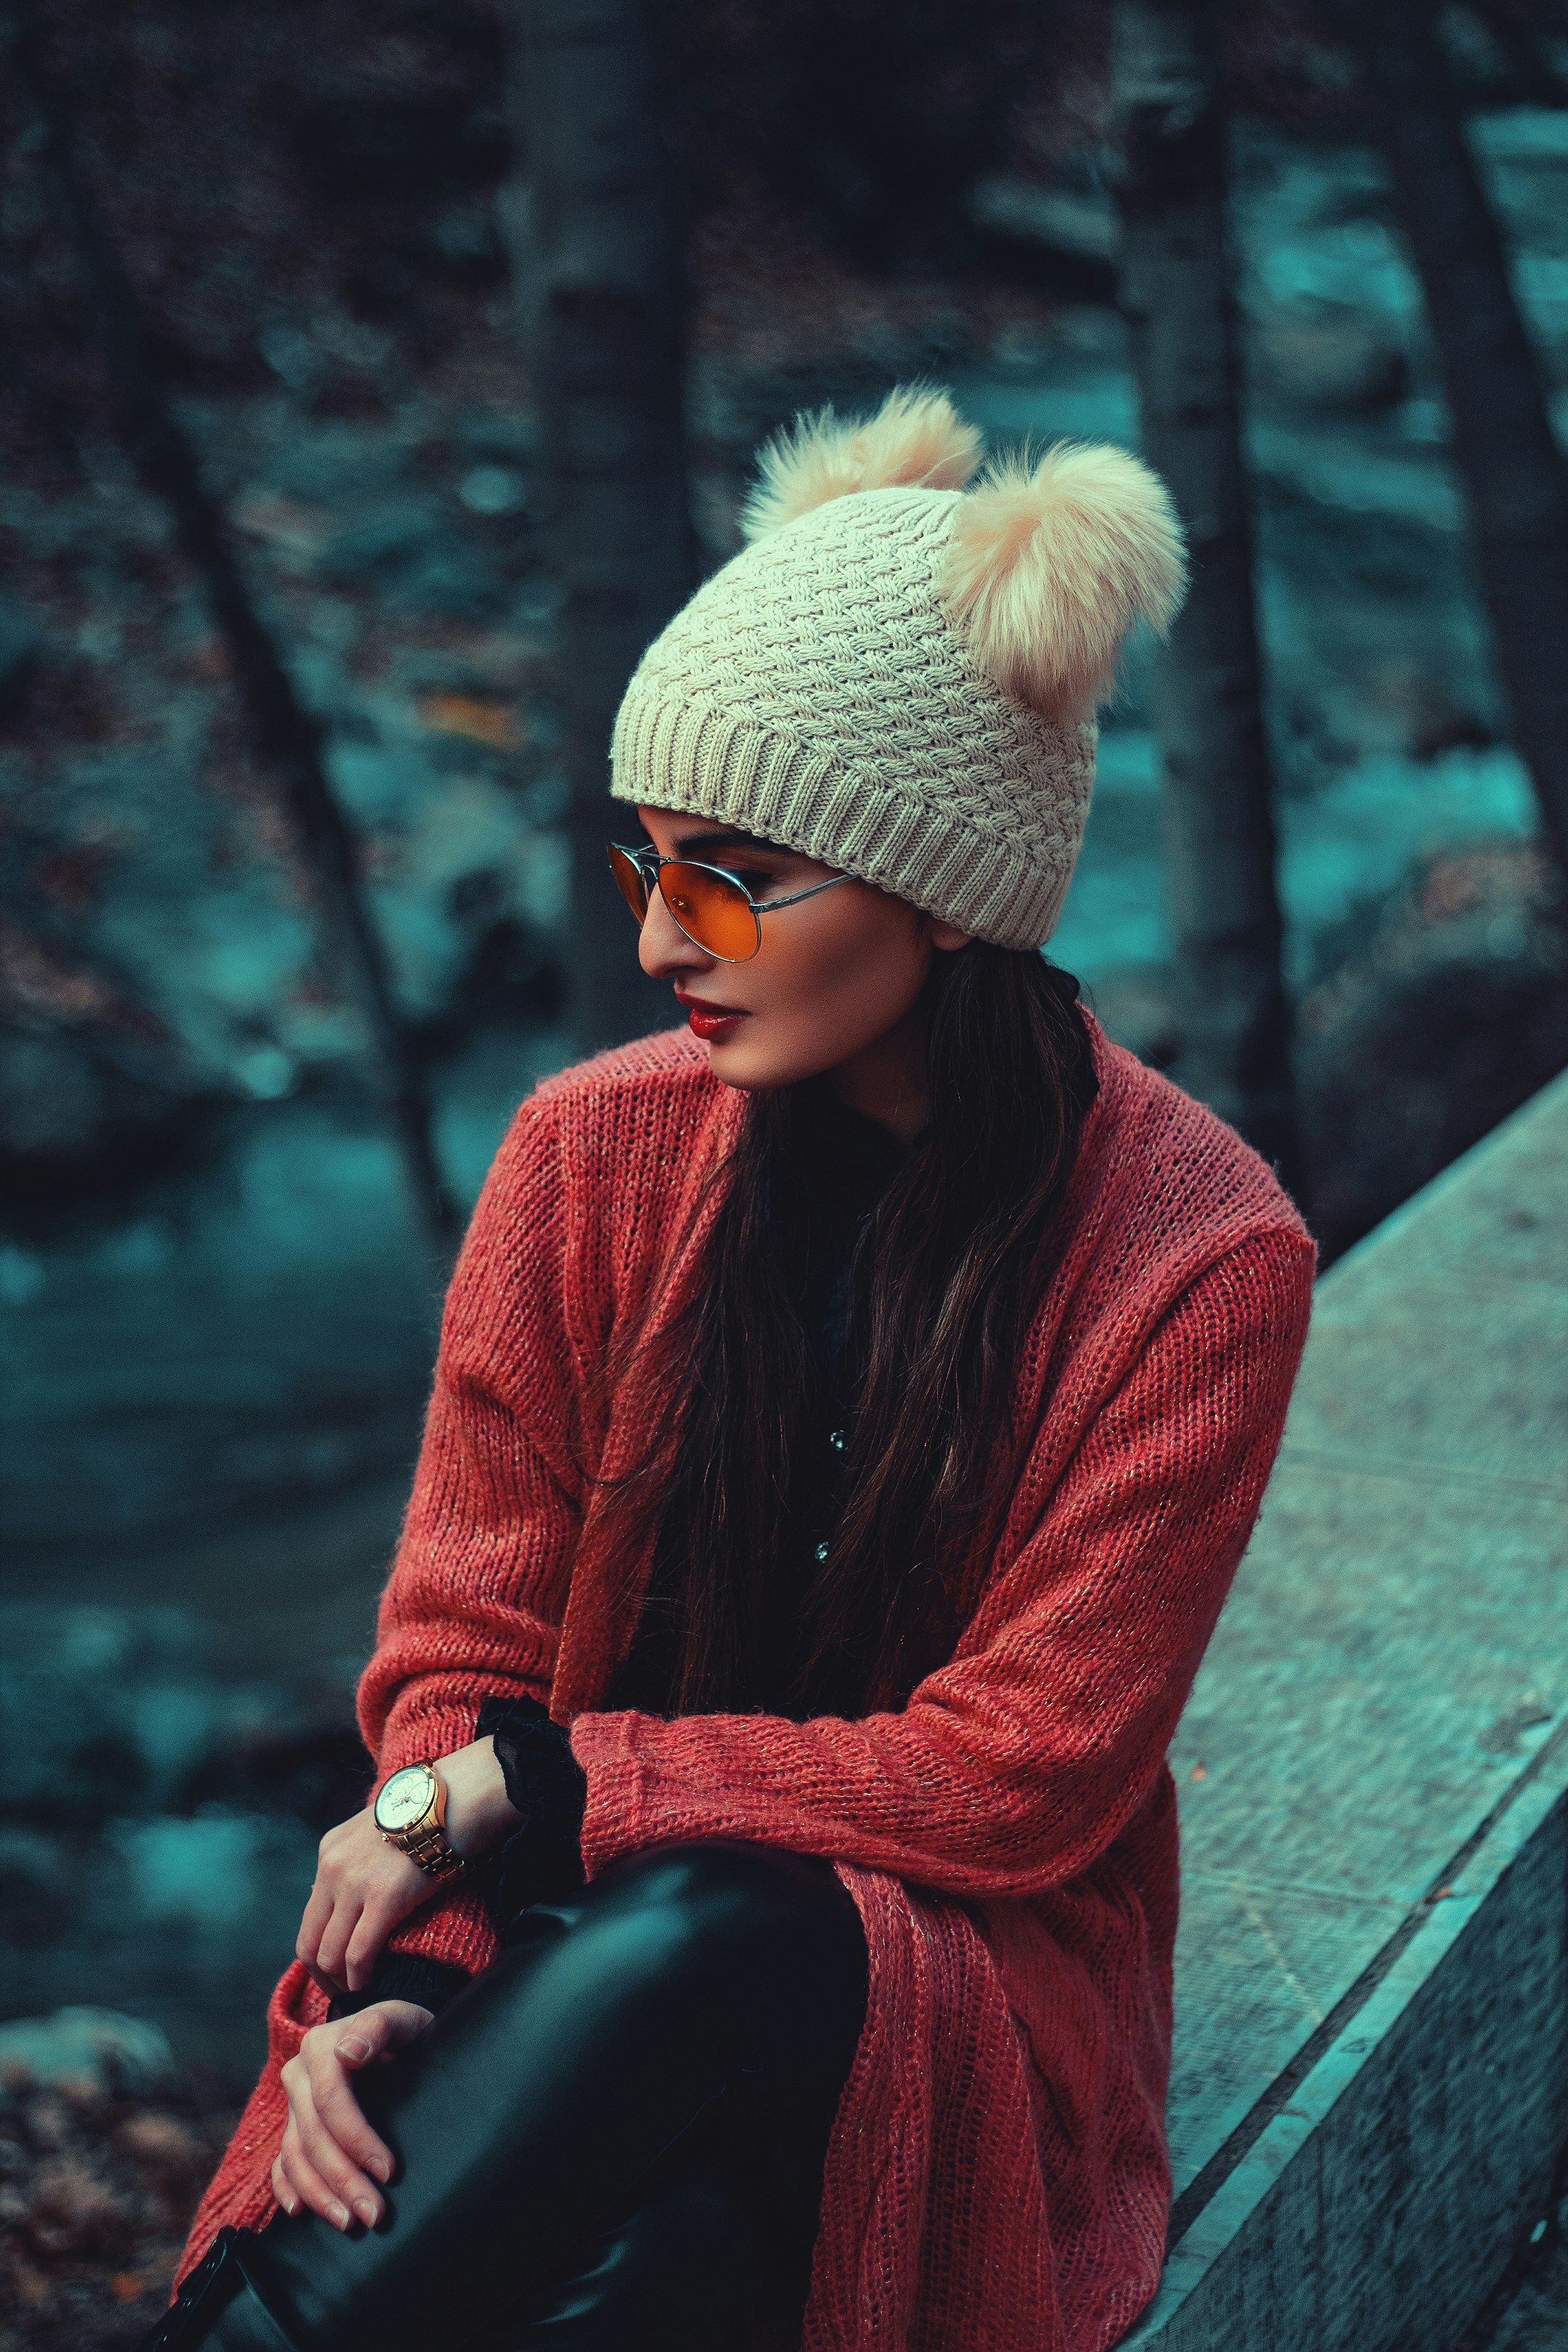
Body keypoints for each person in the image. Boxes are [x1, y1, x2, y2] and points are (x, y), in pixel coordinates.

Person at [150, 386, 1315, 2352]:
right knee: (651, 2281)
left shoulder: (1200, 1259)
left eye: (736, 874)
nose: (665, 941)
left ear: (938, 886)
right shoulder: (584, 1156)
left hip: (948, 1978)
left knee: (709, 1934)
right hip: (562, 1962)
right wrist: (412, 1992)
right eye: (645, 865)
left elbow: (1011, 1776)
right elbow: (463, 1654)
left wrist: (531, 1784)